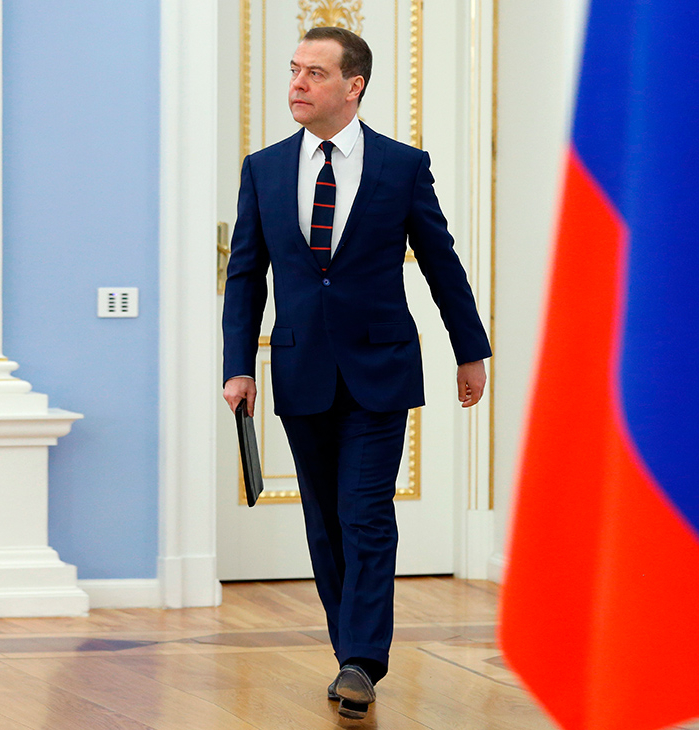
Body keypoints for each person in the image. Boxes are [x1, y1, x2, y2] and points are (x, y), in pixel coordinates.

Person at [221, 26, 491, 720]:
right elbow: (246, 274)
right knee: (325, 522)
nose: (296, 84)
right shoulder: (264, 169)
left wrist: (470, 350)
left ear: (353, 86)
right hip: (300, 369)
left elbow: (442, 263)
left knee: (365, 513)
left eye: (314, 73)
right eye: (293, 70)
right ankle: (351, 654)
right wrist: (237, 367)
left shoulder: (402, 166)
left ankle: (363, 660)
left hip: (381, 370)